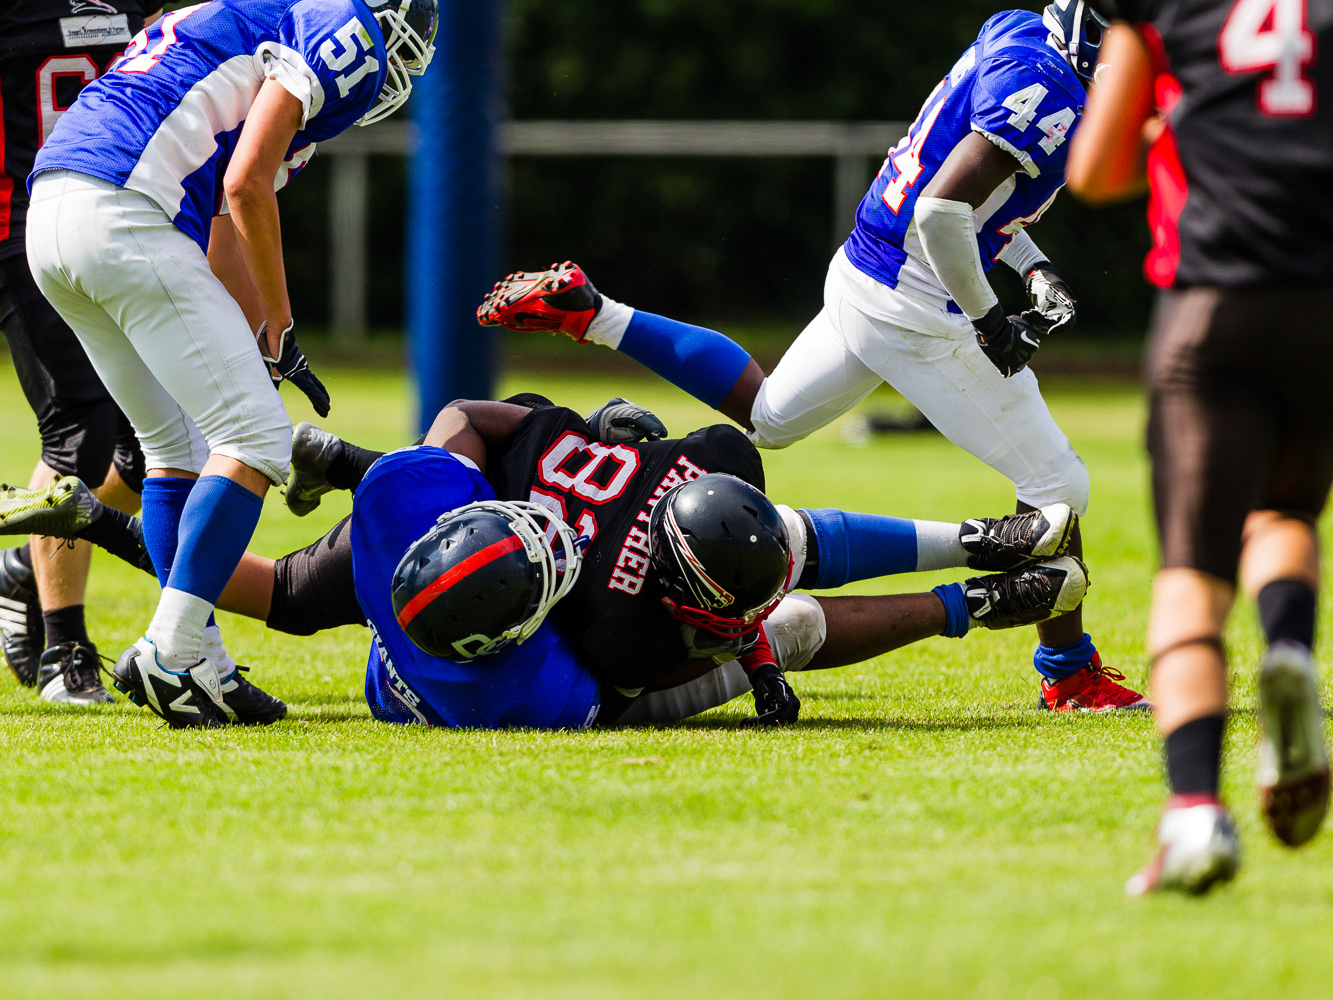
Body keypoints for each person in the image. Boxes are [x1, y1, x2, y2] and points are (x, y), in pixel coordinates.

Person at [477, 2, 1147, 714]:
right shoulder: (1049, 89)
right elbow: (944, 213)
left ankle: (599, 315)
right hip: (918, 301)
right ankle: (1069, 673)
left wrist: (1033, 265)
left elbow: (969, 197)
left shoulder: (1019, 31)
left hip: (866, 268)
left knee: (769, 416)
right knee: (1056, 484)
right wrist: (990, 320)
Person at [0, 397, 1090, 729]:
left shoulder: (405, 509)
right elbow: (625, 677)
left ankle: (974, 570)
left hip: (429, 538)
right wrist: (747, 660)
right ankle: (968, 584)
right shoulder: (548, 672)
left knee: (266, 597)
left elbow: (459, 425)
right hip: (463, 598)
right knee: (778, 611)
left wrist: (386, 462)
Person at [21, 0, 439, 726]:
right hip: (125, 208)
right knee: (256, 439)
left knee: (174, 447)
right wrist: (281, 328)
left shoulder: (237, 16)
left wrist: (248, 349)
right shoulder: (346, 26)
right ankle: (171, 649)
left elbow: (223, 227)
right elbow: (246, 181)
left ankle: (202, 665)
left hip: (55, 210)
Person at [1069, 0, 1333, 895]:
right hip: (1324, 304)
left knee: (1191, 575)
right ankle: (1291, 652)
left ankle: (1194, 817)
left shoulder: (1166, 8)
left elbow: (1096, 172)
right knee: (1286, 510)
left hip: (1212, 305)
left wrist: (1179, 130)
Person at [0, 0, 161, 704]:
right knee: (79, 428)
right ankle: (64, 648)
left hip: (121, 210)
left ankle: (25, 563)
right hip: (14, 218)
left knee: (149, 447)